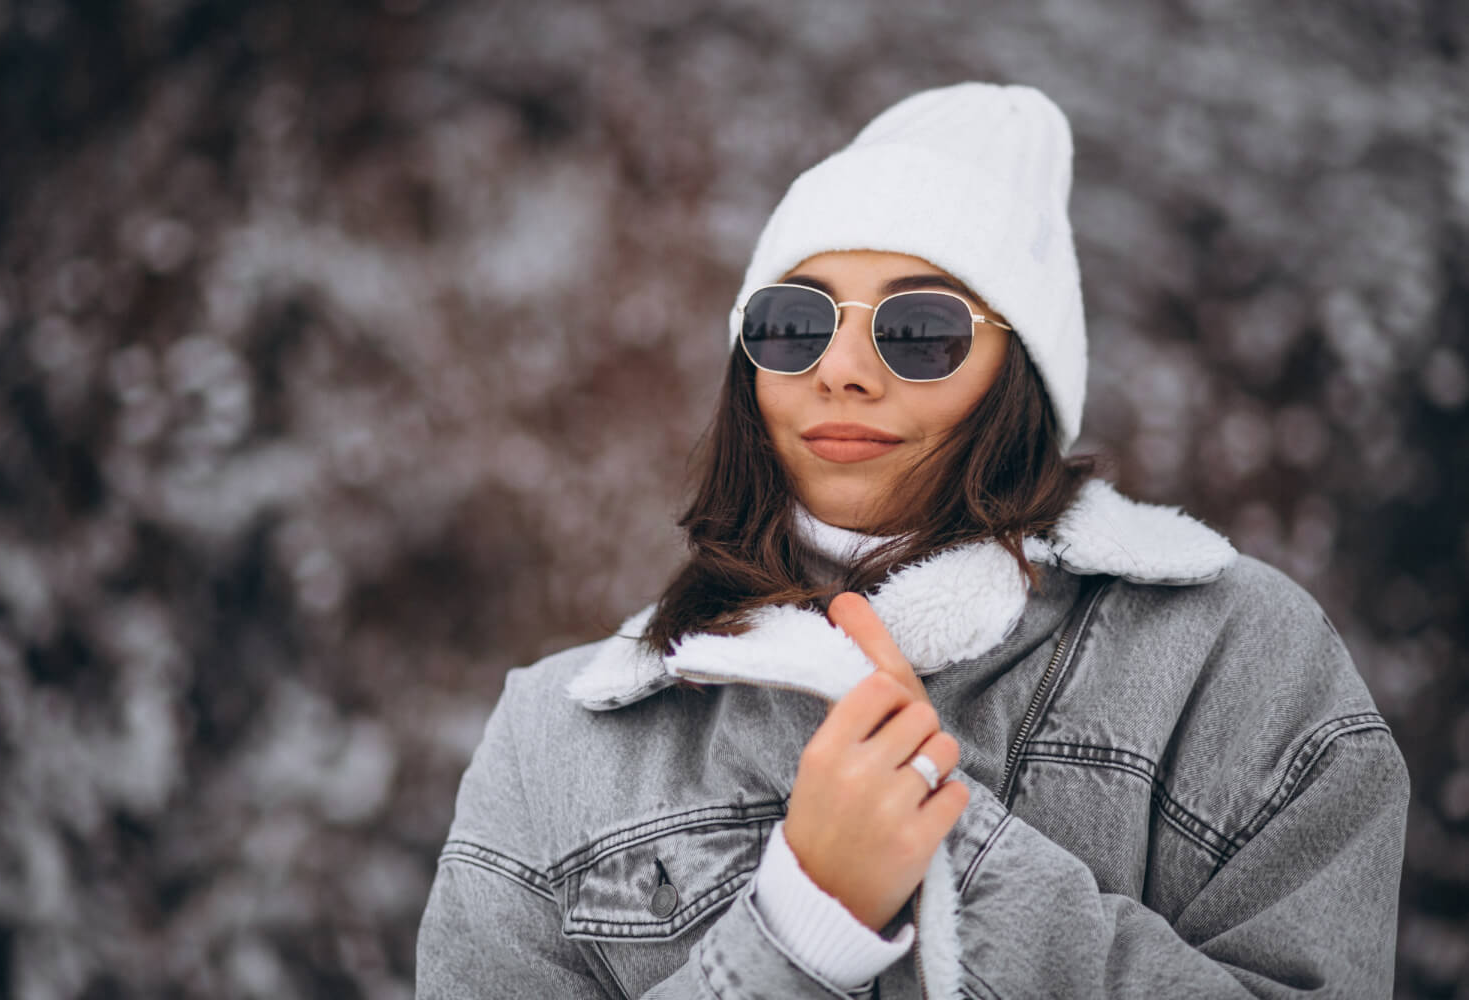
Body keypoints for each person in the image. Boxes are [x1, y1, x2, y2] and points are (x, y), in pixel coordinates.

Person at [416, 82, 1408, 998]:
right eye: (793, 323)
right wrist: (799, 934)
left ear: (1019, 372)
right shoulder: (558, 740)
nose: (842, 368)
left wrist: (956, 859)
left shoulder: (1238, 658)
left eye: (920, 330)